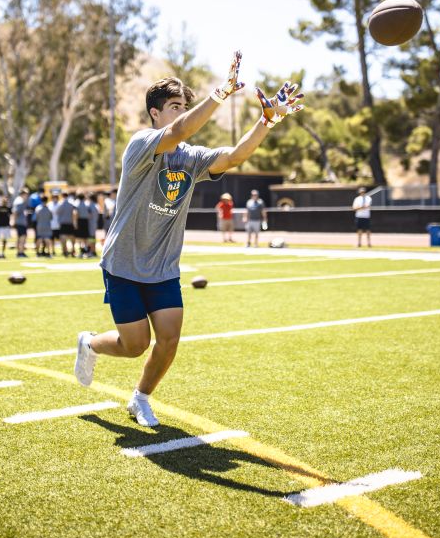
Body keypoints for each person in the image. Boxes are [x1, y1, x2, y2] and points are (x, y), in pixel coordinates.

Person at [73, 54, 305, 427]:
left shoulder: (192, 158)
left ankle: (141, 398)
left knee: (168, 339)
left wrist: (267, 120)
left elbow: (234, 156)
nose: (182, 112)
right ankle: (89, 343)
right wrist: (220, 93)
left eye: (184, 105)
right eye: (175, 107)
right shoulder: (141, 144)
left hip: (163, 267)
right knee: (134, 345)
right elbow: (180, 131)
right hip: (124, 262)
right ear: (155, 113)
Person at [54, 192, 75, 258]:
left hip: (63, 223)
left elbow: (57, 212)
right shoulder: (71, 204)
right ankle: (72, 251)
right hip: (70, 223)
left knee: (63, 238)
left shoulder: (61, 204)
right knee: (72, 238)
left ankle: (65, 251)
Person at [0, 194, 13, 259]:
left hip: (6, 226)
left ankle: (2, 253)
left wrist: (11, 223)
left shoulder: (8, 208)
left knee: (5, 239)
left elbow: (11, 216)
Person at [13, 189, 31, 258]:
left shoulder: (19, 200)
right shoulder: (20, 201)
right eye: (26, 194)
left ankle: (19, 252)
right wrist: (14, 221)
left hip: (20, 222)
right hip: (20, 222)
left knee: (20, 237)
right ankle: (20, 252)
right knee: (22, 237)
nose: (27, 196)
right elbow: (16, 212)